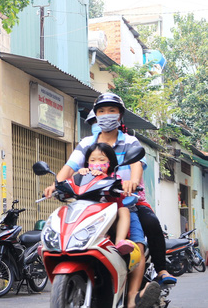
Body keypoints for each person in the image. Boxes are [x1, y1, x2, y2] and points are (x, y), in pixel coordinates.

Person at [44, 93, 171, 308]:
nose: (106, 115)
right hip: (93, 200)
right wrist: (55, 184)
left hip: (125, 198)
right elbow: (70, 167)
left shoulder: (129, 140)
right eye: (101, 111)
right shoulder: (87, 143)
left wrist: (133, 181)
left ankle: (146, 283)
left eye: (111, 111)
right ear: (95, 115)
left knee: (146, 225)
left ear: (120, 115)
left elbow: (136, 164)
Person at [78, 143, 135, 255]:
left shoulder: (114, 178)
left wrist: (103, 177)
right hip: (88, 216)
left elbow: (121, 191)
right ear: (87, 163)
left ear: (110, 161)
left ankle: (120, 243)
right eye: (92, 160)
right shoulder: (84, 176)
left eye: (101, 160)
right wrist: (79, 175)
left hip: (109, 219)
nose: (96, 163)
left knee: (124, 211)